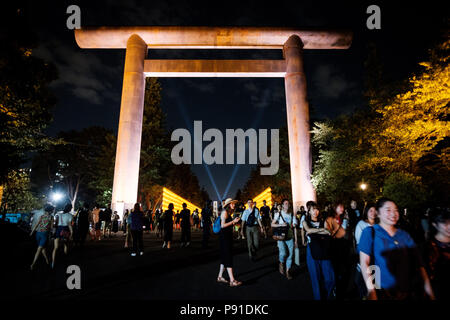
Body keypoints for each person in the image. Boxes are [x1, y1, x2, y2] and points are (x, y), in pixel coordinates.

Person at [359, 198, 435, 300]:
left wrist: (429, 291)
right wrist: (371, 291)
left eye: (396, 210)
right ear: (378, 213)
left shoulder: (404, 235)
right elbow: (365, 263)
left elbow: (419, 265)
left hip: (407, 292)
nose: (393, 213)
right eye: (388, 210)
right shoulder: (370, 233)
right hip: (383, 292)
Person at [303, 202, 335, 300]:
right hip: (311, 251)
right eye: (313, 209)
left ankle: (327, 295)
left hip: (324, 249)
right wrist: (322, 230)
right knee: (316, 279)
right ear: (309, 211)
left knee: (330, 278)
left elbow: (329, 232)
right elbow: (308, 230)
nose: (315, 211)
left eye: (317, 209)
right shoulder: (305, 222)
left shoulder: (323, 221)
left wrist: (315, 230)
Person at [326, 202, 351, 299]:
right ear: (335, 208)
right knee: (336, 270)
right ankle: (336, 288)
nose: (342, 208)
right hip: (334, 246)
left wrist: (346, 221)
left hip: (344, 246)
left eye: (343, 206)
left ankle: (340, 288)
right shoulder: (330, 218)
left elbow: (346, 232)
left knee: (344, 270)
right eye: (340, 206)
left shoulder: (343, 218)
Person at [423, 209, 449, 300]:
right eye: (445, 224)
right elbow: (426, 275)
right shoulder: (428, 248)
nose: (449, 227)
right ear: (434, 224)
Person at [354, 204, 378, 298]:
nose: (373, 213)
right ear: (366, 212)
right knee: (361, 281)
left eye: (375, 210)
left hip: (376, 259)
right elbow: (359, 242)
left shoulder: (379, 225)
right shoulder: (361, 224)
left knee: (375, 283)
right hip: (365, 256)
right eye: (370, 210)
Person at [217, 198, 242, 287]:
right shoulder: (224, 212)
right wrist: (233, 222)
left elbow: (228, 224)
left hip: (227, 237)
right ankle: (232, 280)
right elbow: (222, 225)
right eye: (232, 203)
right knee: (228, 257)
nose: (234, 205)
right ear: (228, 205)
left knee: (224, 257)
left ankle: (220, 277)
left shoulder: (229, 213)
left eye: (234, 203)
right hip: (224, 238)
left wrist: (235, 223)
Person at [271, 199, 298, 280]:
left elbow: (295, 228)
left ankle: (288, 271)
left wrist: (296, 240)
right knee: (283, 253)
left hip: (290, 237)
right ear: (282, 205)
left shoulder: (292, 215)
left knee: (290, 254)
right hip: (281, 237)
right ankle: (281, 262)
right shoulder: (278, 214)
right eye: (285, 203)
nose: (287, 205)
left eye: (288, 204)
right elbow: (272, 224)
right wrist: (280, 224)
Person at [29, 204, 54, 270]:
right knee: (41, 249)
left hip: (38, 233)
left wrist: (32, 232)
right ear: (50, 211)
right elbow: (51, 228)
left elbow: (37, 224)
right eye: (52, 210)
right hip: (44, 235)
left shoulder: (42, 216)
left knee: (40, 249)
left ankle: (36, 263)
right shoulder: (51, 217)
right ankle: (44, 261)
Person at [51, 203, 74, 269]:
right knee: (65, 245)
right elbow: (70, 225)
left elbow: (55, 223)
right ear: (70, 209)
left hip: (58, 229)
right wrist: (71, 233)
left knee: (55, 248)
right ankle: (65, 260)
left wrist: (53, 231)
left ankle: (53, 262)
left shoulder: (58, 213)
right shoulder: (70, 215)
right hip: (65, 230)